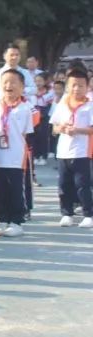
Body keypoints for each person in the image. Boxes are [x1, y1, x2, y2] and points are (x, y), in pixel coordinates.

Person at [0, 69, 33, 238]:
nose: (9, 85)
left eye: (13, 82)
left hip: (16, 157)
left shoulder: (26, 108)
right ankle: (4, 221)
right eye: (5, 82)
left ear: (22, 87)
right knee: (0, 190)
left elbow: (28, 134)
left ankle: (17, 222)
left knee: (15, 190)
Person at [50, 68, 93, 228]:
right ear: (68, 86)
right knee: (63, 185)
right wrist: (61, 128)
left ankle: (88, 214)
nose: (76, 89)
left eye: (81, 86)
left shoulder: (90, 106)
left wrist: (78, 130)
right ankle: (67, 213)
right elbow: (54, 127)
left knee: (83, 185)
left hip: (82, 151)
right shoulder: (62, 104)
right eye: (73, 85)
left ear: (87, 87)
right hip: (63, 152)